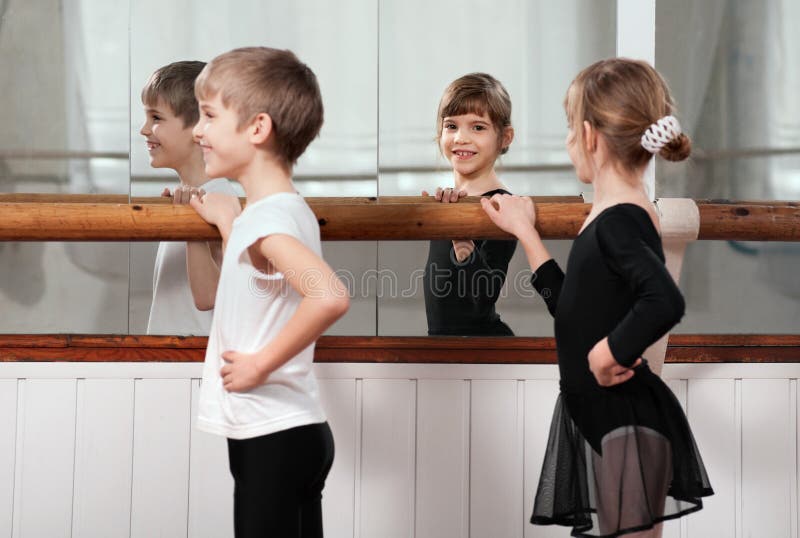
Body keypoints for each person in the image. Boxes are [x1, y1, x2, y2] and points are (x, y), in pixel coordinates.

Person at [482, 58, 713, 537]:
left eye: (569, 129)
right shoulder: (611, 213)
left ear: (589, 136)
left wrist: (610, 352)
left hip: (629, 422)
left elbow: (663, 300)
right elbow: (572, 308)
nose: (568, 144)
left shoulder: (621, 217)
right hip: (612, 423)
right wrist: (527, 234)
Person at [188, 47, 350, 537]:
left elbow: (329, 295)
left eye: (209, 115)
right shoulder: (276, 211)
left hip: (272, 433)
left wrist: (260, 364)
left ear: (257, 129)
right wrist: (226, 222)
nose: (198, 130)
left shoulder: (267, 221)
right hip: (291, 430)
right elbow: (259, 283)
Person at [139, 60, 237, 335]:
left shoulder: (219, 199)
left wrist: (190, 226)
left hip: (192, 365)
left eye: (156, 118)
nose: (144, 129)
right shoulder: (192, 198)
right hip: (169, 363)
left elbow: (209, 297)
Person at [422, 73, 517, 336]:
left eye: (478, 127)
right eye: (452, 126)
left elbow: (483, 297)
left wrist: (464, 245)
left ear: (505, 137)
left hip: (482, 350)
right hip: (446, 350)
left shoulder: (501, 204)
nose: (461, 138)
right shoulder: (448, 201)